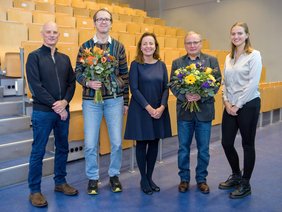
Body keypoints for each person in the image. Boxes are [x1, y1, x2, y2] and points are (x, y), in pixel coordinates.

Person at [75, 8, 128, 195]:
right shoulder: (85, 47)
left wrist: (125, 100)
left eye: (107, 19)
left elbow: (124, 75)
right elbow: (78, 72)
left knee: (116, 143)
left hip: (114, 101)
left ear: (111, 23)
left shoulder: (119, 47)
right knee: (90, 143)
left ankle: (114, 175)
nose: (103, 22)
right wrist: (88, 82)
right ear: (94, 22)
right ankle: (93, 178)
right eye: (100, 19)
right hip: (91, 101)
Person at [26, 21, 78, 208]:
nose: (52, 35)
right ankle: (35, 191)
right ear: (42, 34)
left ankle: (60, 182)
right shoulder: (34, 57)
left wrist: (65, 102)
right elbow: (35, 86)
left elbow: (72, 83)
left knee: (62, 147)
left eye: (55, 32)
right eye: (48, 32)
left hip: (62, 111)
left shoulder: (65, 58)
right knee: (38, 151)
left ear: (59, 34)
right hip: (43, 112)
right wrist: (57, 106)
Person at [170, 31, 221, 194]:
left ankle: (201, 179)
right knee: (183, 148)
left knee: (204, 149)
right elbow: (173, 84)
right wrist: (184, 95)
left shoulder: (211, 61)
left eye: (195, 42)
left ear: (201, 43)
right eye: (189, 43)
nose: (192, 45)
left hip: (204, 112)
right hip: (185, 113)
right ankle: (184, 179)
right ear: (185, 45)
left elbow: (216, 83)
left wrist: (202, 94)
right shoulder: (177, 63)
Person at [124, 32, 172, 195]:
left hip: (159, 110)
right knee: (142, 144)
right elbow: (134, 89)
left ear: (155, 46)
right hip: (141, 110)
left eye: (151, 43)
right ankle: (143, 179)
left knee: (153, 144)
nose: (148, 46)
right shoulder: (136, 64)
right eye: (145, 43)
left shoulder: (162, 64)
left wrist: (162, 107)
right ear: (140, 47)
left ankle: (150, 177)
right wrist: (149, 108)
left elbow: (166, 87)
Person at [218, 22, 262, 199]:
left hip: (249, 104)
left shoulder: (254, 55)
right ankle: (236, 174)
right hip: (230, 105)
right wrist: (227, 102)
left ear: (247, 35)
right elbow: (224, 83)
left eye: (239, 33)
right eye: (233, 34)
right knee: (226, 143)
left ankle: (246, 183)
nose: (236, 37)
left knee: (247, 144)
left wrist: (238, 104)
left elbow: (252, 84)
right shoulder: (229, 57)